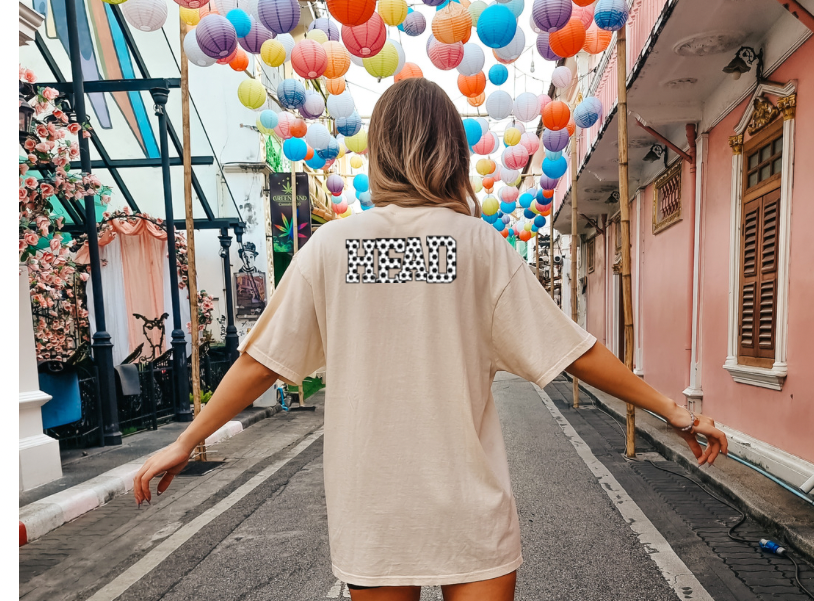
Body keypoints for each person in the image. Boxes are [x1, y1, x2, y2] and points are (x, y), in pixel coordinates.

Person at [134, 79, 728, 601]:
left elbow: (260, 364)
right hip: (469, 506)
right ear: (453, 153)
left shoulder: (330, 248)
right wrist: (674, 411)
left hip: (373, 509)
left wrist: (187, 441)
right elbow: (575, 352)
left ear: (381, 153)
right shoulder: (478, 248)